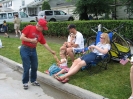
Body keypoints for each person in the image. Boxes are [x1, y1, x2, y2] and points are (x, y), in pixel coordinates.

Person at [20, 18, 55, 90]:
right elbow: (22, 37)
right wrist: (31, 40)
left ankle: (33, 80)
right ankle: (25, 82)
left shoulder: (40, 34)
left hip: (33, 50)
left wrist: (51, 51)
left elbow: (44, 43)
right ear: (39, 25)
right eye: (43, 28)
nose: (43, 29)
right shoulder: (29, 27)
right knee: (27, 67)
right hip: (25, 49)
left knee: (34, 66)